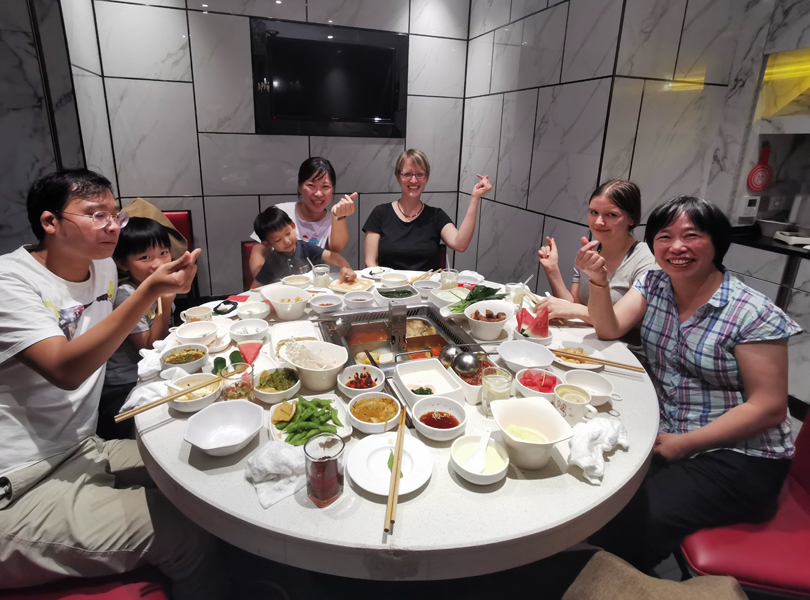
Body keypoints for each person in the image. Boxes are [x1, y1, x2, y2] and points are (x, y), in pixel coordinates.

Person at [0, 169, 228, 599]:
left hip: (82, 447)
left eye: (114, 214)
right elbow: (65, 370)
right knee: (187, 531)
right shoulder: (10, 282)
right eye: (95, 214)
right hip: (19, 483)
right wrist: (149, 293)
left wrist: (162, 291)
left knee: (205, 470)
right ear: (50, 222)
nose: (111, 225)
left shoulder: (102, 267)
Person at [581, 195, 800, 573]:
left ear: (717, 243)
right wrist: (598, 282)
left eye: (692, 236)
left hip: (740, 455)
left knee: (636, 517)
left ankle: (613, 582)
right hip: (669, 429)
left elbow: (769, 407)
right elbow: (609, 328)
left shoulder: (751, 311)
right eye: (665, 237)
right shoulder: (654, 283)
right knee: (601, 488)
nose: (677, 247)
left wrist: (685, 444)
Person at [535, 180, 658, 323]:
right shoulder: (589, 252)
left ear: (631, 219)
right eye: (594, 212)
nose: (599, 222)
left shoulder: (647, 261)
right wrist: (552, 269)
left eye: (611, 215)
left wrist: (576, 310)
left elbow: (620, 323)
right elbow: (573, 305)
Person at [98, 217, 175, 441]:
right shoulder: (127, 295)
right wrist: (166, 304)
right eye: (144, 257)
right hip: (126, 383)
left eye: (164, 253)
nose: (158, 264)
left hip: (149, 369)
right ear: (123, 264)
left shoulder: (155, 286)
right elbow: (147, 346)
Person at [363, 149, 491, 270]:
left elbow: (460, 244)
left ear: (427, 178)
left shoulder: (436, 216)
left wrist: (475, 198)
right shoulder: (380, 213)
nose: (414, 180)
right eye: (407, 174)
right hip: (387, 284)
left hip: (425, 285)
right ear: (398, 177)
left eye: (420, 174)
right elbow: (370, 262)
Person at [249, 157, 357, 279]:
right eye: (311, 185)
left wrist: (339, 216)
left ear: (332, 189)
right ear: (300, 187)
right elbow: (258, 252)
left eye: (325, 186)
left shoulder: (333, 220)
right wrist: (264, 281)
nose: (318, 193)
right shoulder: (281, 212)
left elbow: (336, 248)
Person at [251, 206, 357, 287]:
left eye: (288, 233)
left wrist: (345, 266)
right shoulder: (271, 262)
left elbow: (332, 256)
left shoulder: (306, 248)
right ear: (268, 244)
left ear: (293, 226)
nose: (286, 241)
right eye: (278, 240)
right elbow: (254, 289)